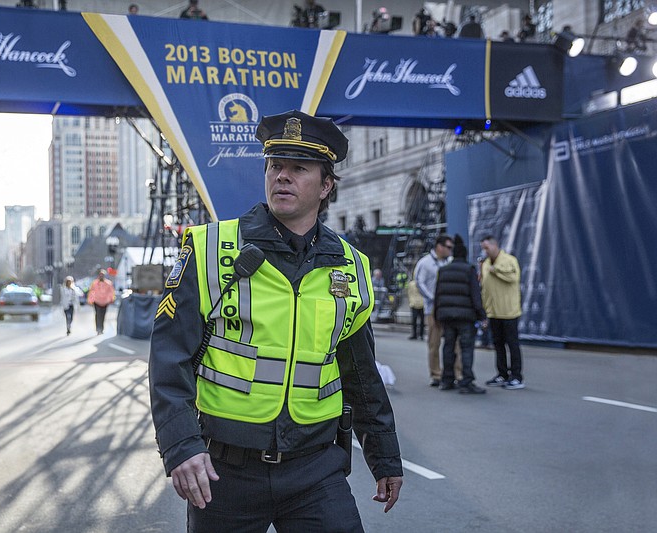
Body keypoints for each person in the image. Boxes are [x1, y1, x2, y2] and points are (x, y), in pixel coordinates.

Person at [149, 110, 403, 531]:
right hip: (223, 472)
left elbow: (359, 373)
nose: (282, 177)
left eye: (298, 168)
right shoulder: (212, 249)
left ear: (326, 186)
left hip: (316, 470)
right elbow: (168, 357)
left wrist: (384, 457)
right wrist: (180, 447)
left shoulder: (351, 266)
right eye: (275, 166)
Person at [433, 235, 487, 394]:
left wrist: (437, 315)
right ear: (464, 255)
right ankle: (466, 381)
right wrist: (482, 315)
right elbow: (475, 295)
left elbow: (438, 295)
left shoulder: (443, 270)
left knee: (448, 347)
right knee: (466, 348)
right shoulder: (469, 269)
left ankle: (447, 380)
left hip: (447, 316)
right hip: (465, 317)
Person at [414, 234, 461, 386]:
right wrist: (433, 298)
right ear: (439, 247)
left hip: (449, 306)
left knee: (454, 341)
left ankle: (456, 373)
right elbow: (419, 283)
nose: (450, 250)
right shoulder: (425, 263)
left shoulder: (451, 261)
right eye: (448, 247)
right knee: (434, 343)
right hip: (433, 307)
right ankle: (436, 374)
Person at [479, 235, 525, 390]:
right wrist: (484, 311)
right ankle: (502, 374)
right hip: (493, 312)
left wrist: (495, 269)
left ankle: (517, 376)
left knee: (512, 344)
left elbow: (513, 278)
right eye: (483, 248)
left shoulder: (509, 260)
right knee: (498, 345)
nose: (485, 251)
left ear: (494, 245)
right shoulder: (485, 264)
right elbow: (485, 289)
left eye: (486, 247)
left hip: (509, 311)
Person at [87, 269, 115, 334]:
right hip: (97, 301)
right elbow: (91, 292)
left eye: (102, 275)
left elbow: (111, 292)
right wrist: (90, 300)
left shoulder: (108, 283)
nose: (101, 276)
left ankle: (101, 328)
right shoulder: (94, 283)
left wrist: (111, 299)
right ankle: (98, 328)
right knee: (98, 315)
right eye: (100, 275)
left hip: (105, 301)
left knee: (103, 315)